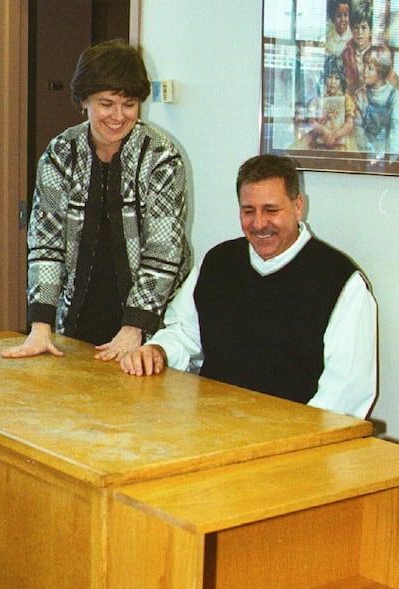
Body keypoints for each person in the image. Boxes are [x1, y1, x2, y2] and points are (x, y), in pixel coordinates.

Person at [119, 154, 377, 419]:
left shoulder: (341, 283)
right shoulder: (218, 262)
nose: (259, 224)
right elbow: (185, 333)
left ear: (298, 206)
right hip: (211, 428)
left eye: (272, 210)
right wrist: (158, 351)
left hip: (291, 444)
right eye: (248, 211)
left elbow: (343, 398)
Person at [2, 40, 191, 362]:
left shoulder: (162, 157)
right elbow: (45, 244)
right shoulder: (61, 152)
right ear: (83, 101)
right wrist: (41, 323)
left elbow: (163, 252)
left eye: (129, 104)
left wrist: (134, 328)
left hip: (149, 320)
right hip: (78, 314)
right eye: (106, 103)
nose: (118, 116)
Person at [355, 45, 399, 156]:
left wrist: (390, 153)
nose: (365, 72)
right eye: (364, 67)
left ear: (381, 71)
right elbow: (357, 126)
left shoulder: (393, 95)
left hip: (387, 150)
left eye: (370, 69)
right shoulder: (360, 94)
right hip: (366, 150)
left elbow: (397, 126)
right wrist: (366, 150)